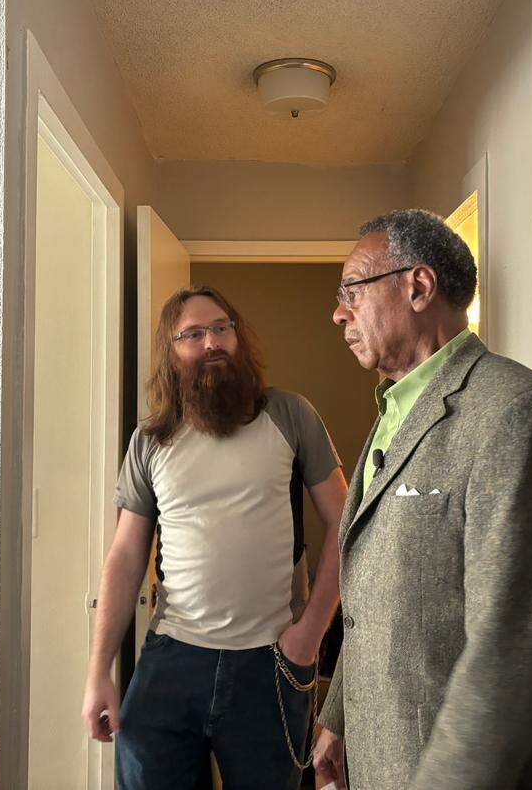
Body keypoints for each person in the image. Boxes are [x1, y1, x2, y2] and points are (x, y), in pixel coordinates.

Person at [312, 209, 532, 789]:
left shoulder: (515, 413)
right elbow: (374, 601)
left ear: (417, 286)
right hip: (386, 757)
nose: (338, 312)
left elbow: (514, 643)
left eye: (352, 289)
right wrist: (339, 717)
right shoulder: (390, 414)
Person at [82, 285, 348, 790]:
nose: (212, 343)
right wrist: (99, 671)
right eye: (194, 334)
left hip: (271, 662)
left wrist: (311, 631)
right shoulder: (150, 440)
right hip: (172, 658)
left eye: (222, 328)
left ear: (238, 337)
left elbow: (346, 521)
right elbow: (125, 555)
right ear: (172, 352)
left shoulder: (290, 415)